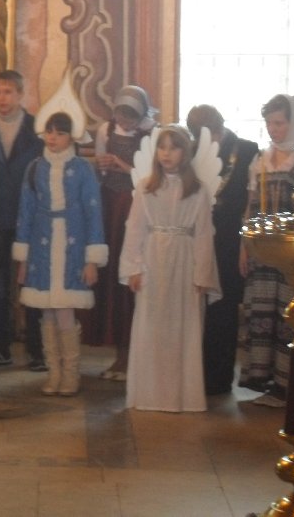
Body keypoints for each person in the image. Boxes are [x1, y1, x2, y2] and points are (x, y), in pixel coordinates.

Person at [120, 125, 220, 412]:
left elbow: (203, 235)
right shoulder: (145, 188)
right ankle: (148, 395)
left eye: (173, 148)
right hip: (152, 263)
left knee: (181, 328)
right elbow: (135, 229)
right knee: (152, 326)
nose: (166, 153)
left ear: (185, 153)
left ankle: (182, 396)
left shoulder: (198, 190)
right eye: (162, 147)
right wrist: (133, 267)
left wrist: (202, 274)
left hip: (184, 263)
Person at [14, 111, 106, 396]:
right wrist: (23, 258)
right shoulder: (34, 168)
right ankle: (53, 372)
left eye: (60, 133)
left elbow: (93, 213)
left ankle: (70, 374)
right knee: (47, 312)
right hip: (41, 246)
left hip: (72, 247)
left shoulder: (83, 169)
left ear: (72, 137)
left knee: (65, 311)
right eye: (49, 132)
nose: (53, 138)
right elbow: (26, 212)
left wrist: (92, 259)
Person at [238, 94, 294, 406]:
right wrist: (244, 247)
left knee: (292, 315)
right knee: (264, 314)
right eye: (269, 123)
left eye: (279, 123)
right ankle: (269, 381)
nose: (273, 129)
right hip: (264, 251)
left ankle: (293, 386)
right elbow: (250, 208)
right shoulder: (260, 160)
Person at [0, 70, 45, 370]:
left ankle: (37, 349)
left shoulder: (37, 130)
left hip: (31, 219)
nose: (2, 98)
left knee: (33, 283)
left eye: (8, 92)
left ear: (20, 94)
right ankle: (0, 345)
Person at [84, 84, 156, 381]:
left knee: (132, 275)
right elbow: (100, 170)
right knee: (113, 275)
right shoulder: (106, 130)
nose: (124, 120)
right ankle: (118, 353)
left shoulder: (151, 133)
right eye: (121, 114)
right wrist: (102, 165)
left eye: (130, 115)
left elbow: (151, 177)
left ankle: (136, 355)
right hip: (110, 205)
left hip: (135, 206)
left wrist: (123, 166)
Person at [186, 105, 258, 396]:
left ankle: (218, 377)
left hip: (229, 240)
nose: (211, 140)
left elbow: (251, 203)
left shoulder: (247, 150)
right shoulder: (190, 151)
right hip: (195, 238)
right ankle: (193, 374)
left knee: (224, 309)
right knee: (195, 306)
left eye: (213, 133)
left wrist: (246, 243)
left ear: (221, 125)